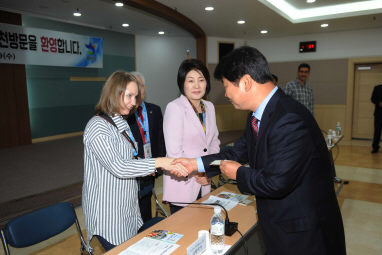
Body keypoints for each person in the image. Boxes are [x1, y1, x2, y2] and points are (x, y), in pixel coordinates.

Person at [174, 46, 346, 255]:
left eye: (227, 86)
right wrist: (196, 163)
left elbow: (276, 182)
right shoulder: (258, 114)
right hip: (281, 224)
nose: (226, 93)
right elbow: (237, 153)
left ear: (246, 82)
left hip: (303, 232)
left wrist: (238, 173)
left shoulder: (288, 118)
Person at [82, 71, 187, 252]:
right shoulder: (97, 126)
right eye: (129, 96)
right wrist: (159, 162)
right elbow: (119, 166)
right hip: (108, 215)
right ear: (114, 93)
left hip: (126, 208)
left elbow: (129, 158)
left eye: (136, 97)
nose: (134, 103)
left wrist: (147, 167)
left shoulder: (119, 121)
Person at [163, 59, 220, 214]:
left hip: (204, 181)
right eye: (191, 80)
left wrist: (208, 172)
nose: (196, 85)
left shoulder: (209, 107)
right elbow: (174, 152)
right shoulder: (175, 108)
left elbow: (214, 142)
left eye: (201, 80)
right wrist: (199, 170)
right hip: (183, 183)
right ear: (182, 83)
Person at [126, 71, 166, 222]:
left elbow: (160, 138)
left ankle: (146, 229)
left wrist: (159, 163)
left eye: (141, 86)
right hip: (133, 168)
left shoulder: (154, 110)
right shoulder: (125, 113)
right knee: (133, 203)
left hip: (152, 166)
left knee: (146, 201)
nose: (138, 90)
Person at [371, 74, 382, 153]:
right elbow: (372, 99)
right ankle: (375, 147)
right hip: (379, 113)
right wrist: (379, 103)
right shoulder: (377, 88)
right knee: (377, 131)